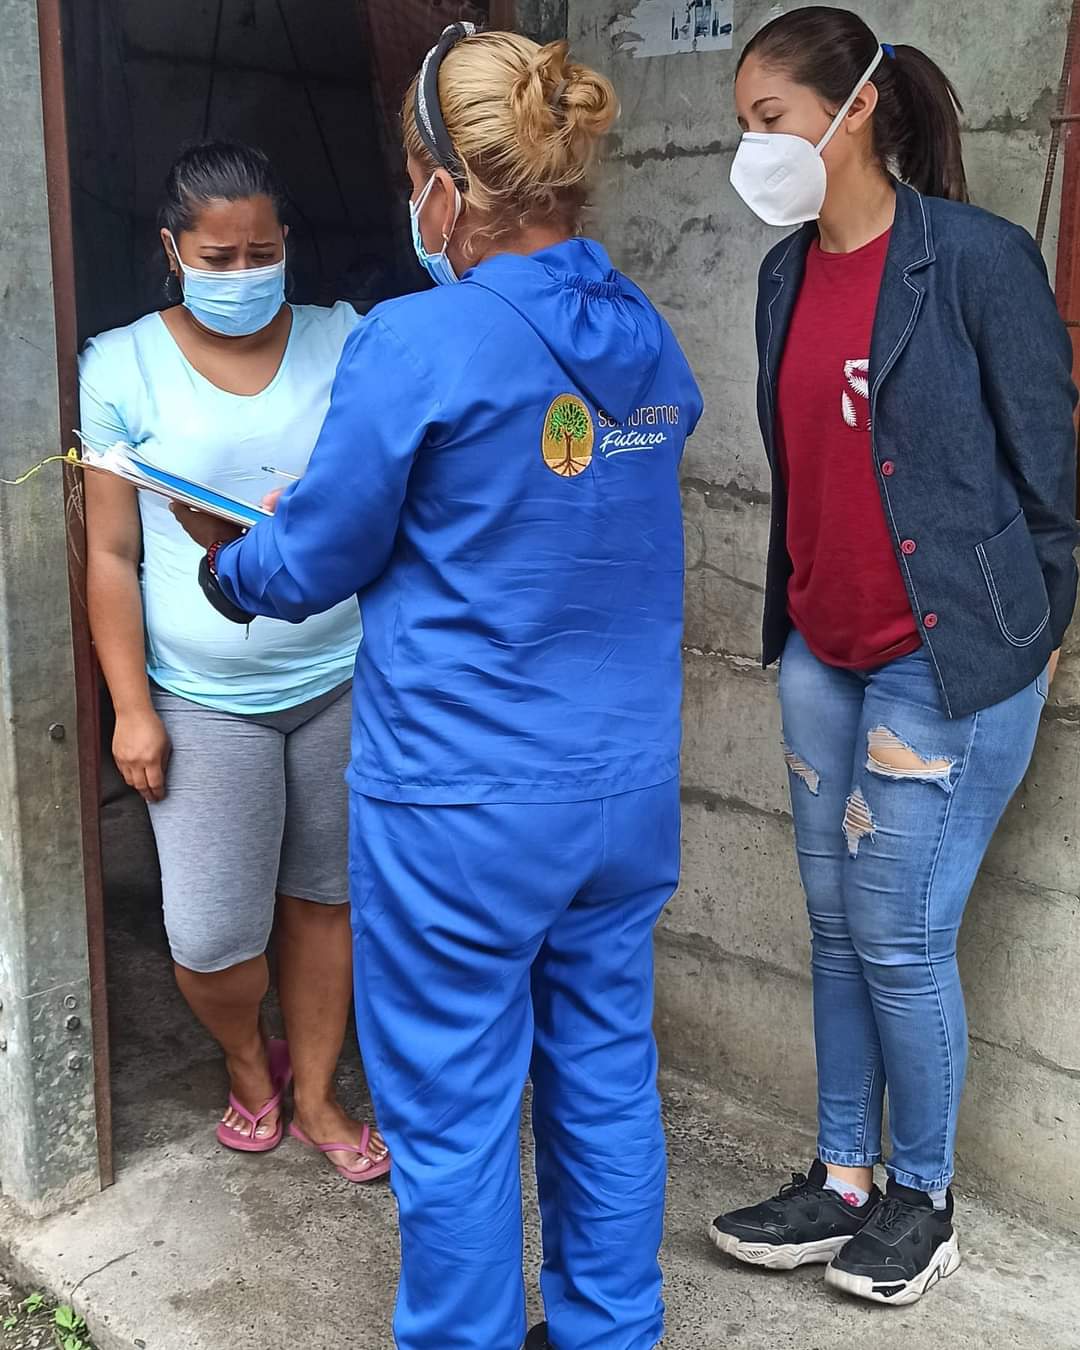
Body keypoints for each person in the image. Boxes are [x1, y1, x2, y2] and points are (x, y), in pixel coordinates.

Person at [172, 26, 702, 1350]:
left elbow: (320, 553)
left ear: (446, 188)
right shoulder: (642, 332)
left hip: (462, 800)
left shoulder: (417, 342)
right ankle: (612, 1330)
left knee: (455, 1108)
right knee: (604, 1079)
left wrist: (234, 567)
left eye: (415, 178)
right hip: (621, 790)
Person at [710, 5, 1078, 1307]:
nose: (753, 149)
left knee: (901, 934)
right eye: (743, 126)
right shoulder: (782, 275)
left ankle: (925, 1197)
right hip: (823, 647)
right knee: (835, 927)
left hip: (944, 657)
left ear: (856, 107)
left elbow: (1052, 476)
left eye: (770, 120)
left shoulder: (974, 260)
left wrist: (1031, 632)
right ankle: (846, 1178)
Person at [81, 140, 389, 1182]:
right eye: (218, 257)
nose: (243, 272)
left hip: (342, 674)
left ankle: (315, 1093)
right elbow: (112, 554)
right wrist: (131, 707)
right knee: (212, 938)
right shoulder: (120, 367)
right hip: (203, 695)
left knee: (326, 900)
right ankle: (247, 1061)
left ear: (288, 243)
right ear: (173, 250)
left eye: (261, 252)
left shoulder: (346, 341)